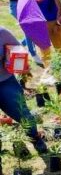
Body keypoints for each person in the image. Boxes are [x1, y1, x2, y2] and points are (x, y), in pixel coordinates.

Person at [0, 26, 48, 154]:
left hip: (5, 81)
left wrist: (20, 66)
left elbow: (18, 49)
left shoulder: (2, 32)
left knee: (23, 112)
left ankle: (35, 138)